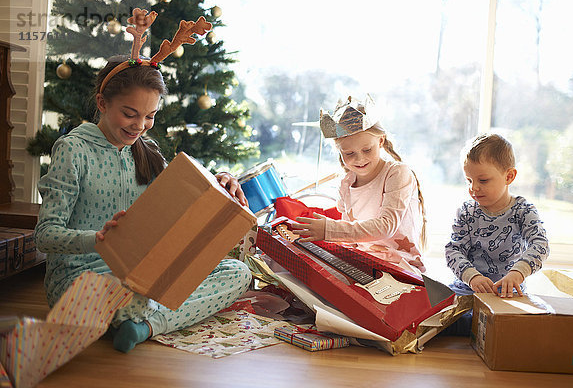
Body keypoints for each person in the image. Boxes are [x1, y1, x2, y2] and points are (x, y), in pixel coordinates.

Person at [34, 53, 252, 353]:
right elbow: (44, 235)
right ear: (102, 104)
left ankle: (143, 326)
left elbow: (181, 201)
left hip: (139, 276)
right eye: (130, 113)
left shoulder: (146, 151)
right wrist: (97, 240)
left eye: (150, 116)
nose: (140, 125)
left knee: (237, 273)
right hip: (80, 279)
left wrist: (221, 181)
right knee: (133, 295)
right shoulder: (73, 150)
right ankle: (144, 316)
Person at [290, 95, 426, 273]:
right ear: (339, 151)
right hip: (363, 263)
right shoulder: (346, 184)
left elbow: (386, 226)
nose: (359, 159)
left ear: (381, 141)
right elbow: (350, 239)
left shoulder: (397, 173)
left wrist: (329, 229)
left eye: (367, 150)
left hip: (401, 266)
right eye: (349, 153)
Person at [442, 133, 549, 335]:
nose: (473, 188)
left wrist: (517, 273)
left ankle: (476, 326)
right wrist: (472, 277)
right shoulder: (467, 211)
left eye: (482, 180)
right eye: (469, 180)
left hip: (507, 293)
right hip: (466, 289)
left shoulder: (523, 210)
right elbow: (453, 250)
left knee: (512, 329)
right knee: (433, 311)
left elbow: (540, 245)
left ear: (509, 176)